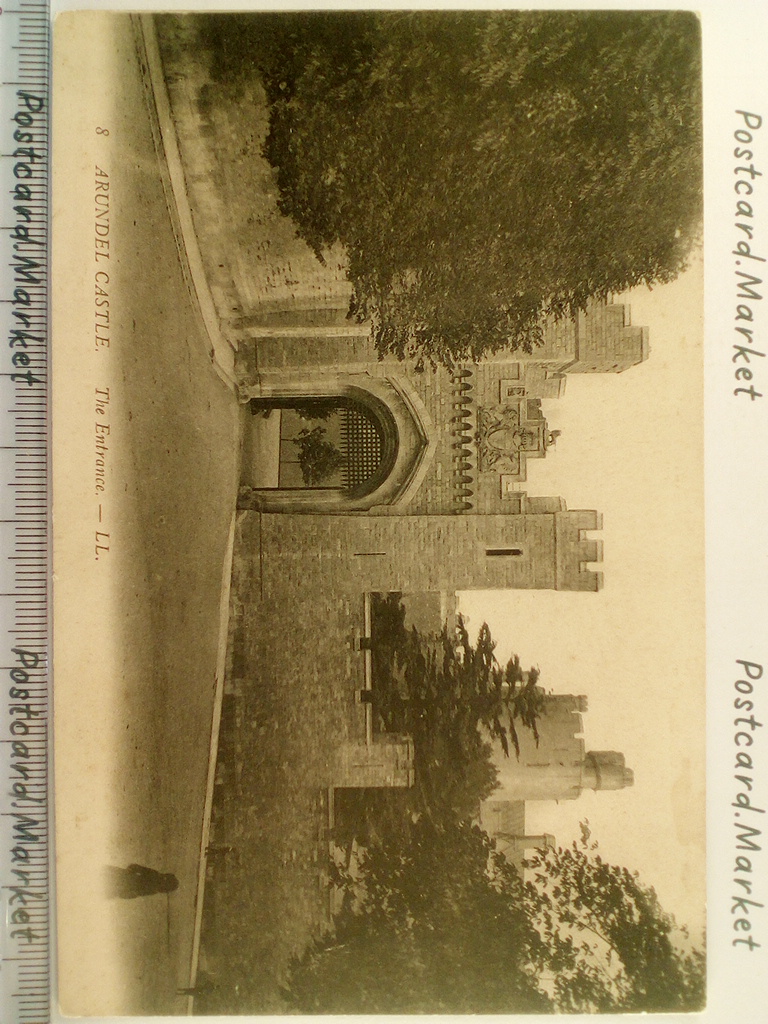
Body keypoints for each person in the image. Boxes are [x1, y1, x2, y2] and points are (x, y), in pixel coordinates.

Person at [104, 863, 179, 899]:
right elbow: (137, 868)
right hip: (122, 880)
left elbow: (136, 894)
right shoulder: (154, 878)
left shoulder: (153, 889)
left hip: (122, 885)